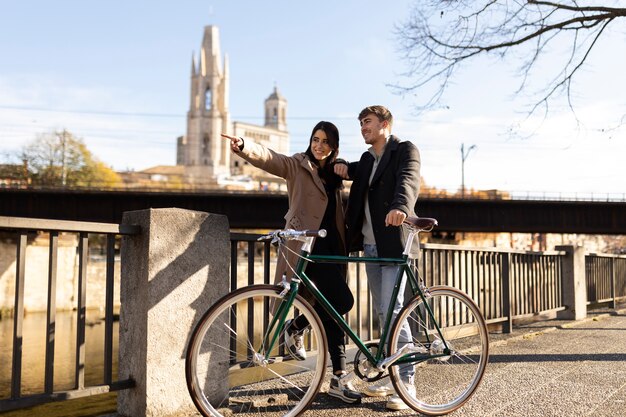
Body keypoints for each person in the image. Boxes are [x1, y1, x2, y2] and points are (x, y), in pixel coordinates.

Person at [222, 121, 362, 404]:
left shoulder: (336, 172)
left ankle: (338, 377)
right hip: (306, 246)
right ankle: (296, 327)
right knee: (343, 302)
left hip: (334, 249)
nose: (319, 145)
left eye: (325, 141)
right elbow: (271, 159)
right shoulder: (298, 166)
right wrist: (245, 146)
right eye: (315, 139)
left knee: (335, 312)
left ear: (334, 146)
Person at [335, 105, 420, 411]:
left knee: (394, 312)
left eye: (367, 122)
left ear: (385, 124)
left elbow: (408, 181)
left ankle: (406, 382)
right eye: (360, 123)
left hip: (394, 243)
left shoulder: (404, 150)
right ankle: (393, 374)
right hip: (371, 246)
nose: (362, 127)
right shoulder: (369, 160)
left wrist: (400, 207)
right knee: (384, 314)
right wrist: (343, 164)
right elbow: (354, 170)